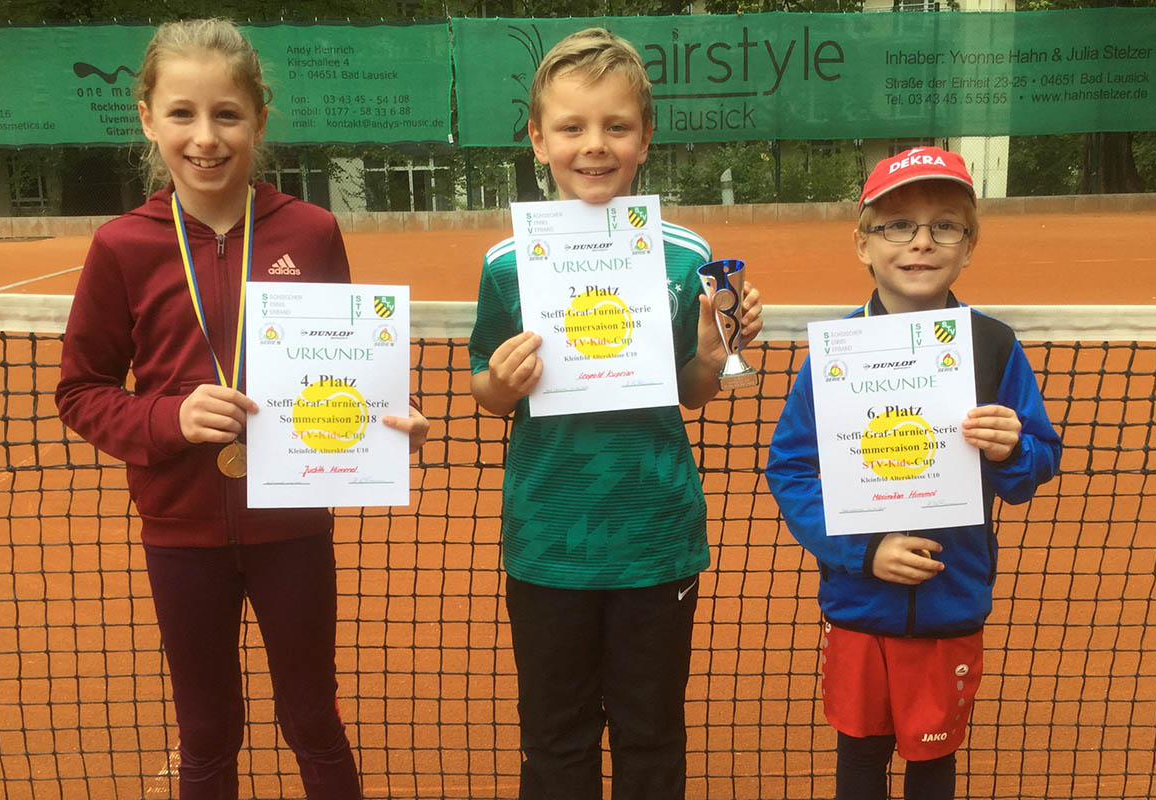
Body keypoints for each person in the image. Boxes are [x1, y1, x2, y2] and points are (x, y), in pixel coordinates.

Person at [55, 18, 427, 800]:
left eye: (226, 114)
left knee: (313, 718)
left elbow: (346, 364)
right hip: (180, 534)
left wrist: (392, 420)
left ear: (258, 118)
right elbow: (81, 391)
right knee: (205, 730)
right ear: (147, 117)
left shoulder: (312, 231)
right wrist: (168, 420)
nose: (205, 137)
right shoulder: (122, 246)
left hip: (293, 528)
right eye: (182, 113)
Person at [467, 27, 763, 800]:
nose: (593, 145)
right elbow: (486, 390)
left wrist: (711, 351)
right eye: (571, 127)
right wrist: (502, 382)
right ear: (538, 140)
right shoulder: (506, 263)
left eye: (615, 126)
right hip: (547, 542)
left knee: (650, 733)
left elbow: (692, 390)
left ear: (645, 137)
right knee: (554, 737)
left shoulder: (685, 255)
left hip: (654, 540)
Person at [765, 147, 1062, 800]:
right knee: (859, 759)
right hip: (857, 604)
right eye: (897, 225)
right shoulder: (834, 355)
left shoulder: (993, 347)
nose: (921, 242)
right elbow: (790, 468)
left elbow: (1035, 464)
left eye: (944, 226)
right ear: (863, 245)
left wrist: (1011, 449)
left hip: (950, 603)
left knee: (933, 762)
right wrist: (864, 550)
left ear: (968, 245)